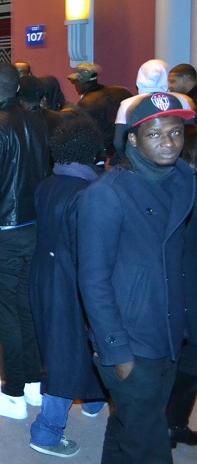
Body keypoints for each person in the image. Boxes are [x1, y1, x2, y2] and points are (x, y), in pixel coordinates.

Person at [79, 92, 195, 463]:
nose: (168, 143)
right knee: (149, 445)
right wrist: (116, 350)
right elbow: (92, 280)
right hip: (130, 341)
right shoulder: (106, 195)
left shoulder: (183, 182)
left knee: (131, 425)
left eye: (176, 133)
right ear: (132, 138)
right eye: (156, 134)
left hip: (170, 333)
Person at [0, 61, 50, 420]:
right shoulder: (37, 120)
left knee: (5, 317)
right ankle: (34, 386)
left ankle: (14, 395)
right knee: (26, 310)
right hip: (34, 229)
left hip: (3, 234)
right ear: (16, 88)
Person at [28, 117, 107, 458]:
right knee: (67, 351)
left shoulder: (47, 184)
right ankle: (47, 431)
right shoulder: (89, 192)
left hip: (43, 276)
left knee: (58, 345)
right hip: (71, 281)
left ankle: (92, 399)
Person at [167, 124, 197, 449]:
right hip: (190, 288)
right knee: (189, 363)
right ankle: (172, 423)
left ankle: (172, 423)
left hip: (170, 287)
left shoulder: (169, 186)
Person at [67, 63, 133, 160]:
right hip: (128, 150)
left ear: (82, 82)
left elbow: (87, 136)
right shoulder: (121, 92)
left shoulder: (86, 103)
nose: (74, 85)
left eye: (75, 81)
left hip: (106, 156)